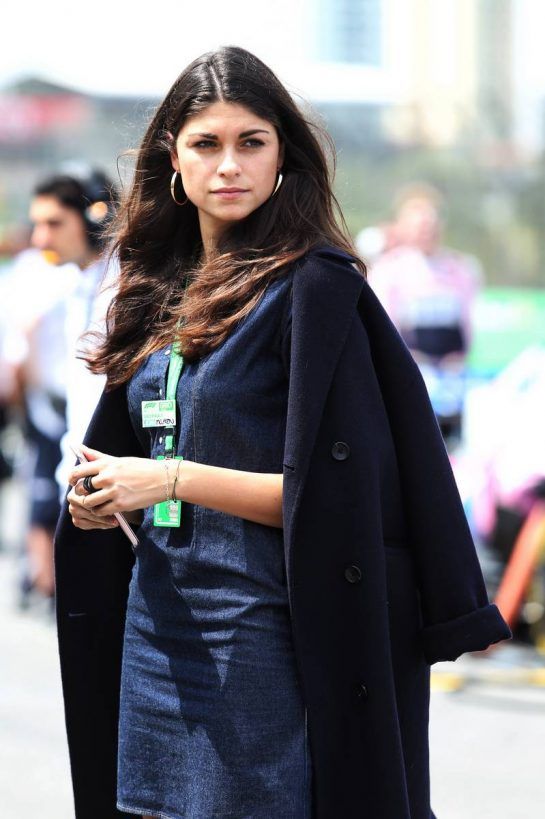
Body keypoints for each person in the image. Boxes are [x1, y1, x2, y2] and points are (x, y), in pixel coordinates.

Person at [55, 47, 510, 819]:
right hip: (155, 634)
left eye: (250, 142)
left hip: (266, 642)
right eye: (206, 143)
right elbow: (145, 449)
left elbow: (339, 497)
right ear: (174, 157)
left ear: (281, 155)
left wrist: (167, 479)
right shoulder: (155, 290)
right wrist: (105, 497)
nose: (228, 164)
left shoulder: (314, 290)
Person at [369, 185, 482, 440]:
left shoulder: (461, 270)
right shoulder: (389, 271)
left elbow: (466, 323)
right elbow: (386, 329)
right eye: (418, 226)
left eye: (430, 225)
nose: (425, 232)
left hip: (453, 373)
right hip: (412, 373)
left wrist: (459, 359)